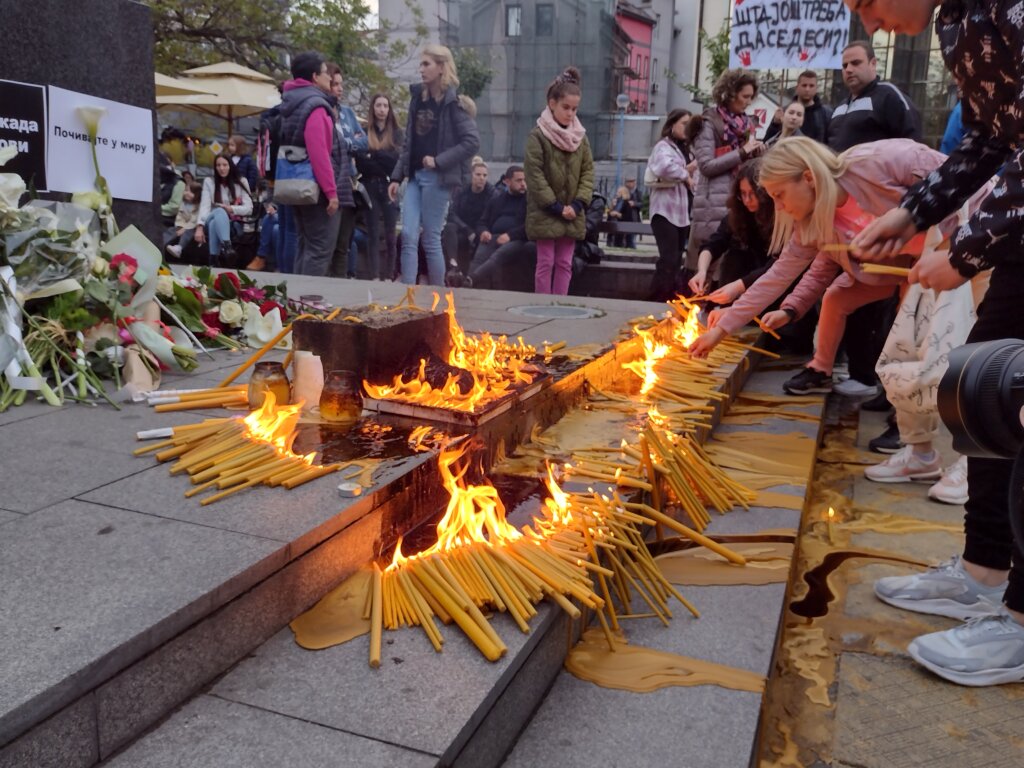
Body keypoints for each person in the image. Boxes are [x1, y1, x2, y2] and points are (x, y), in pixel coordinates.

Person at [846, 0, 1024, 687]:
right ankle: (985, 570)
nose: (873, 24)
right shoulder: (958, 18)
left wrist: (968, 247)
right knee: (983, 392)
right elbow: (988, 139)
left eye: (866, 2)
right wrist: (912, 211)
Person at [687, 138, 985, 394]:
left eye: (779, 195)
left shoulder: (875, 163)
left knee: (962, 346)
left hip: (972, 243)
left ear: (807, 178)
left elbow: (962, 182)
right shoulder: (812, 224)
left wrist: (958, 246)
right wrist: (722, 329)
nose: (777, 207)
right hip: (916, 269)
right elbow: (778, 276)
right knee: (906, 339)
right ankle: (916, 447)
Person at [389, 44, 480, 286]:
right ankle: (408, 295)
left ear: (441, 67)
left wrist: (439, 161)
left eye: (426, 64)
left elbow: (472, 142)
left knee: (430, 237)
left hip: (438, 179)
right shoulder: (417, 98)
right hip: (414, 177)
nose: (421, 69)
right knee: (407, 234)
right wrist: (396, 177)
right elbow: (408, 141)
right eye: (421, 64)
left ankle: (437, 298)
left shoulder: (454, 104)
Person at [277, 52, 353, 276]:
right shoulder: (316, 106)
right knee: (319, 250)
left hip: (297, 185)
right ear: (313, 77)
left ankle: (297, 303)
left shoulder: (291, 103)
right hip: (316, 189)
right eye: (324, 73)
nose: (329, 78)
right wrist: (331, 192)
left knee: (304, 245)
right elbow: (319, 152)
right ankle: (309, 303)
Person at [686, 69, 765, 275]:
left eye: (751, 97)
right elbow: (706, 166)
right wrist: (741, 152)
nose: (748, 102)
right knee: (709, 269)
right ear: (730, 93)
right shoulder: (708, 123)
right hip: (713, 205)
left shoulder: (746, 124)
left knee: (733, 269)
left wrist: (756, 154)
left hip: (739, 202)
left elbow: (746, 164)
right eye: (745, 96)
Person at [525, 66, 595, 295]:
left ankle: (560, 304)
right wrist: (555, 206)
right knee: (545, 262)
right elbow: (534, 174)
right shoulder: (538, 135)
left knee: (565, 263)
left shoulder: (580, 138)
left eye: (575, 109)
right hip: (547, 211)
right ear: (552, 103)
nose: (570, 113)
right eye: (566, 107)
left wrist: (577, 204)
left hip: (572, 211)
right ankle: (542, 305)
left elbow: (587, 172)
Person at [827, 41, 921, 152]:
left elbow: (912, 143)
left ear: (873, 63)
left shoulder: (889, 95)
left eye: (856, 63)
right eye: (844, 65)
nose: (848, 69)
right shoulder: (841, 106)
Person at [645, 109, 695, 302]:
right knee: (668, 258)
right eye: (683, 123)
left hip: (682, 213)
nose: (686, 128)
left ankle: (669, 299)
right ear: (672, 124)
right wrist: (685, 172)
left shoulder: (687, 149)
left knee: (676, 259)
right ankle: (656, 299)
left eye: (689, 124)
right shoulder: (663, 146)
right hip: (665, 212)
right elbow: (664, 167)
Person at [356, 92, 404, 280]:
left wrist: (375, 155)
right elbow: (361, 162)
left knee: (391, 233)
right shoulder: (365, 130)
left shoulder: (397, 133)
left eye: (385, 105)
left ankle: (390, 274)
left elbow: (396, 161)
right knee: (373, 231)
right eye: (378, 105)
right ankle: (374, 274)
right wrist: (381, 159)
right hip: (370, 186)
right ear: (373, 108)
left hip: (390, 185)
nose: (382, 109)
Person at [324, 63, 366, 279]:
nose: (340, 89)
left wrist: (346, 144)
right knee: (326, 247)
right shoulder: (321, 111)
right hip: (328, 183)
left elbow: (365, 141)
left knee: (343, 245)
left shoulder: (348, 113)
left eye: (341, 84)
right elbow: (329, 145)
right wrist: (349, 142)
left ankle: (338, 290)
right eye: (335, 84)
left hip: (349, 184)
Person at [467, 165, 528, 281]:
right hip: (493, 236)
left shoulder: (529, 201)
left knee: (498, 255)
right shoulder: (497, 200)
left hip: (517, 239)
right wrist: (484, 231)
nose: (523, 184)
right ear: (507, 182)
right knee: (479, 256)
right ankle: (468, 284)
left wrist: (510, 235)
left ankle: (471, 279)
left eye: (525, 180)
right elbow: (482, 222)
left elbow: (530, 226)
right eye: (519, 180)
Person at [194, 152, 253, 266]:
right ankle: (227, 247)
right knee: (218, 212)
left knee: (214, 223)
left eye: (225, 165)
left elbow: (249, 208)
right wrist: (199, 227)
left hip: (234, 224)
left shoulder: (241, 181)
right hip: (210, 217)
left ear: (230, 166)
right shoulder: (209, 182)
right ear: (215, 167)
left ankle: (213, 260)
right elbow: (204, 206)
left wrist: (231, 209)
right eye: (218, 165)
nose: (222, 168)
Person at [443, 160, 493, 279]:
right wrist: (467, 229)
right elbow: (452, 213)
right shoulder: (462, 190)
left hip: (482, 230)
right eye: (478, 175)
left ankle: (466, 276)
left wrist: (477, 232)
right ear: (472, 175)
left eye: (484, 175)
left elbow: (490, 217)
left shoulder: (492, 193)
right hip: (464, 228)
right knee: (450, 227)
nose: (481, 178)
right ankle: (453, 265)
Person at [166, 180, 202, 261]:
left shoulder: (198, 206)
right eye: (186, 190)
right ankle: (161, 244)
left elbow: (194, 220)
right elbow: (180, 216)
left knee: (188, 232)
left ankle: (179, 247)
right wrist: (180, 226)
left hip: (192, 227)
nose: (187, 193)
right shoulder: (183, 204)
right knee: (171, 230)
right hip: (183, 225)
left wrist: (185, 228)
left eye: (191, 192)